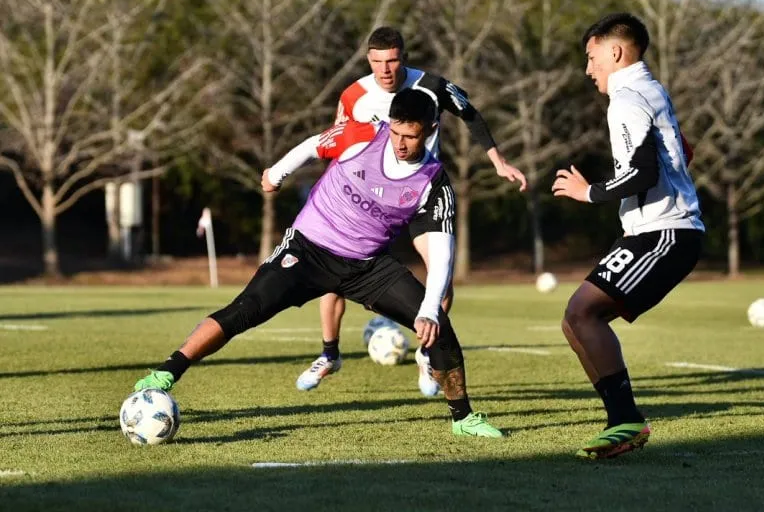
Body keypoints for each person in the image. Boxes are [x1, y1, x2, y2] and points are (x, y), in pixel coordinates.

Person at [133, 89, 503, 438]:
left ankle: (464, 418)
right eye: (396, 132)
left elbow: (442, 252)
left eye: (411, 135)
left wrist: (428, 310)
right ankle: (166, 373)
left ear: (432, 130)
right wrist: (277, 173)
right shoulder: (362, 135)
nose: (401, 143)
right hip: (309, 249)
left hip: (367, 266)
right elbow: (315, 144)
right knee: (246, 309)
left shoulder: (434, 183)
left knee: (441, 329)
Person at [295, 26, 526, 396]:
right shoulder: (353, 95)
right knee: (330, 272)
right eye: (376, 62)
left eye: (392, 60)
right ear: (367, 60)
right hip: (368, 200)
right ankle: (330, 354)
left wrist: (497, 161)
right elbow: (338, 142)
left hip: (420, 196)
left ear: (403, 57)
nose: (385, 69)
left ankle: (425, 353)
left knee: (442, 277)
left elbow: (470, 114)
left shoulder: (431, 86)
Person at [551, 13, 704, 459]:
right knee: (575, 318)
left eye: (591, 56)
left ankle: (626, 420)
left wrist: (588, 192)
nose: (587, 68)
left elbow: (643, 171)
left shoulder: (626, 97)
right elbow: (681, 152)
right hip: (659, 229)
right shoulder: (650, 90)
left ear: (614, 52)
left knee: (582, 313)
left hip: (663, 233)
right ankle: (621, 420)